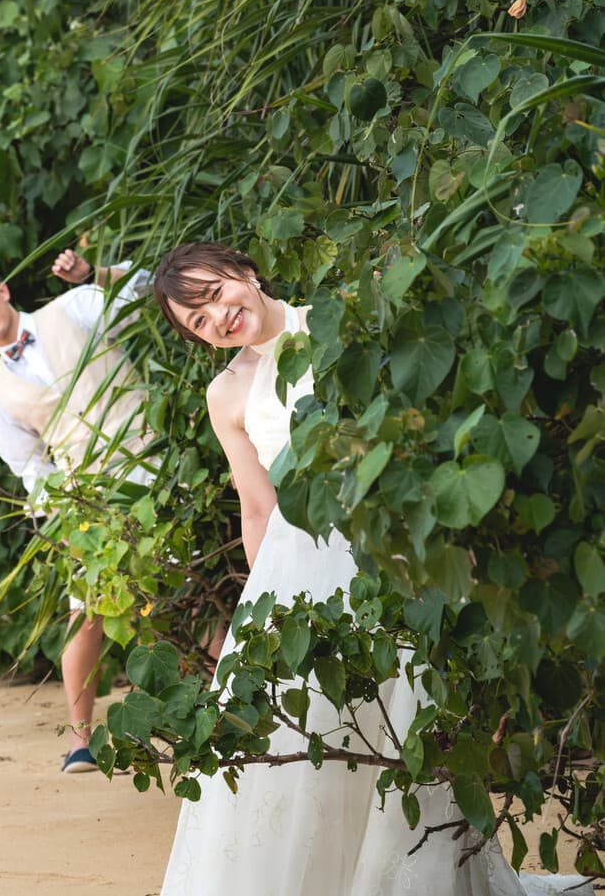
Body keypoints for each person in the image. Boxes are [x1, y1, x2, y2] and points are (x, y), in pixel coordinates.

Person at [151, 241, 583, 896]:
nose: (219, 319)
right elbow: (258, 503)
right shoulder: (228, 391)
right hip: (297, 575)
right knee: (307, 748)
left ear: (243, 270)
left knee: (405, 729)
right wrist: (261, 618)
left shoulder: (336, 321)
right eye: (199, 323)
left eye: (215, 295)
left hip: (390, 554)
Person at [0, 248, 152, 774]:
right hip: (87, 500)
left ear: (3, 291)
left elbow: (146, 287)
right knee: (89, 614)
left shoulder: (73, 308)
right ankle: (81, 741)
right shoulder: (1, 394)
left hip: (152, 468)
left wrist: (91, 274)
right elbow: (29, 467)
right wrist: (60, 521)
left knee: (180, 600)